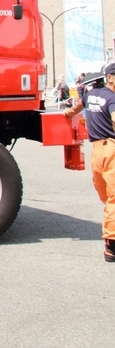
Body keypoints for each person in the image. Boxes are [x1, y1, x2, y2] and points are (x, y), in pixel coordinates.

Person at [65, 62, 115, 262]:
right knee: (113, 200)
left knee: (107, 198)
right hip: (111, 151)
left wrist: (66, 114)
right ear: (109, 78)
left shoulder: (91, 95)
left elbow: (76, 108)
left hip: (97, 152)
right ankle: (111, 246)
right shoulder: (112, 98)